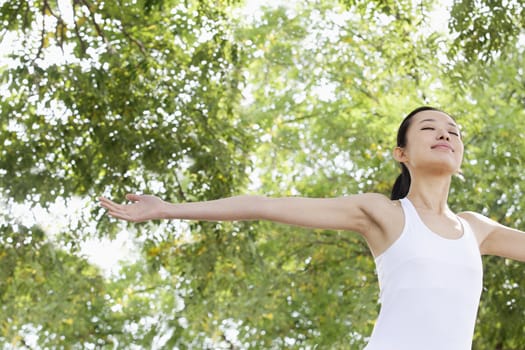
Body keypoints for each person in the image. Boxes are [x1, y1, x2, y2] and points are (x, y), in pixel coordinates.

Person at [99, 106, 525, 349]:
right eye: (430, 128)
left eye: (454, 132)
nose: (445, 135)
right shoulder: (383, 213)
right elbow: (262, 206)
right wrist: (169, 209)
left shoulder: (475, 228)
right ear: (402, 153)